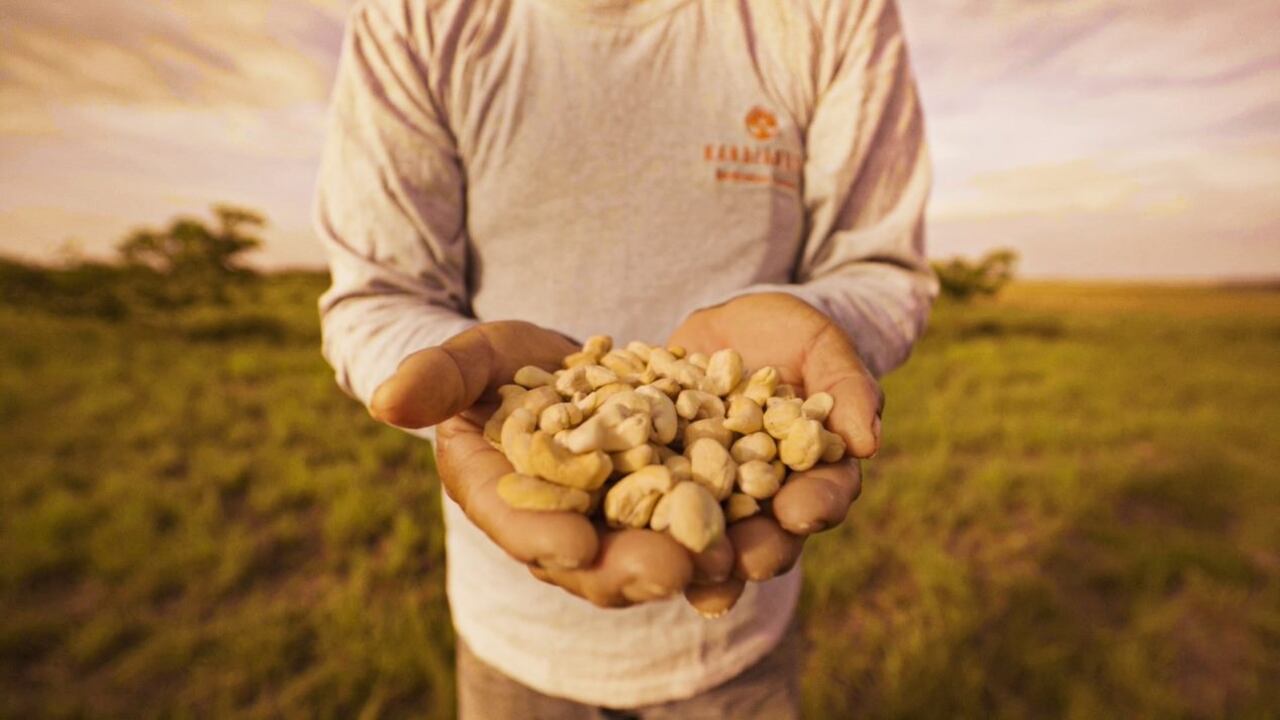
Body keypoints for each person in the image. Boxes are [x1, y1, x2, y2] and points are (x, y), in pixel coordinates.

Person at [315, 0, 935, 716]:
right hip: (510, 633)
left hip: (737, 644)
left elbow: (882, 267)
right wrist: (466, 387)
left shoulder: (827, 14)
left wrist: (822, 327)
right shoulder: (418, 17)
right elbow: (377, 293)